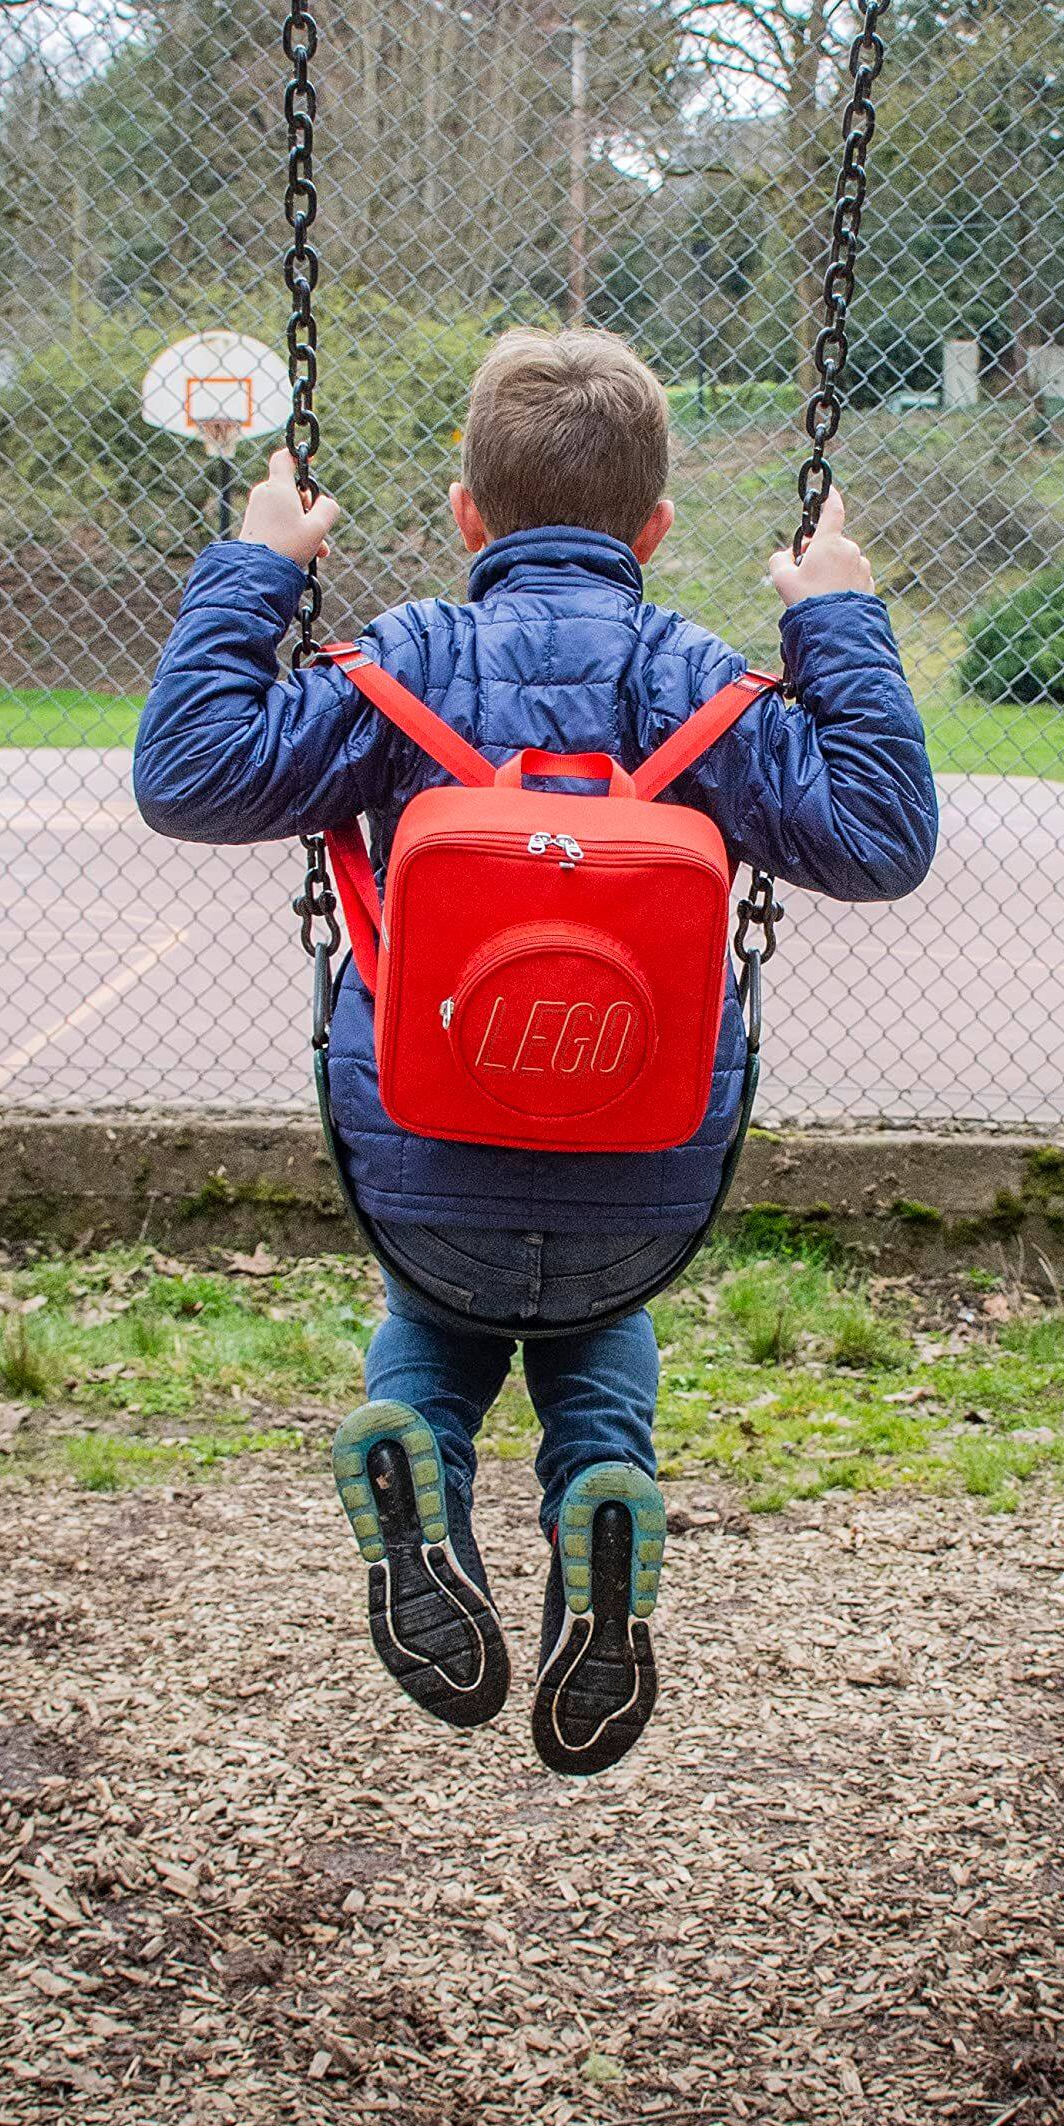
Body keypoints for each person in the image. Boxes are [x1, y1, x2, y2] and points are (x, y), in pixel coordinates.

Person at [134, 328, 938, 1774]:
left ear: (465, 515)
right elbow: (882, 840)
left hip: (427, 1159)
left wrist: (257, 564)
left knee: (436, 1321)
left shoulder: (409, 663)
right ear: (657, 529)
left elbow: (189, 774)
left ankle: (421, 1463)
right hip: (641, 1174)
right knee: (590, 1309)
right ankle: (607, 1485)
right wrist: (837, 617)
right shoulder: (698, 685)